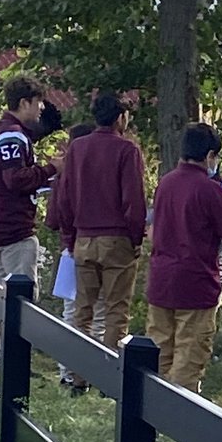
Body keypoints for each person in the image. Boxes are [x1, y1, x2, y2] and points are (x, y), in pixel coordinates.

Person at [54, 92, 146, 391]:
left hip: (83, 238)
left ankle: (79, 377)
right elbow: (134, 200)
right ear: (121, 118)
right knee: (116, 312)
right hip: (117, 238)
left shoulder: (77, 148)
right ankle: (109, 380)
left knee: (83, 311)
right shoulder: (126, 151)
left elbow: (65, 197)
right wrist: (135, 238)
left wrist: (70, 237)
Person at [146, 122, 222, 394]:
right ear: (210, 156)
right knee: (189, 355)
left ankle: (152, 406)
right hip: (196, 282)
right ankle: (178, 414)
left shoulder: (166, 183)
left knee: (159, 350)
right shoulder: (209, 189)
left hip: (161, 279)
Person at [0, 76, 64, 370]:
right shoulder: (13, 135)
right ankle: (16, 361)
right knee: (22, 295)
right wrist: (52, 168)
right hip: (14, 225)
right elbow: (15, 179)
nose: (41, 109)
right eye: (38, 103)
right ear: (24, 103)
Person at [45, 120, 106, 385]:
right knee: (100, 310)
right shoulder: (98, 175)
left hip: (69, 250)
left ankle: (67, 372)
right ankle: (96, 372)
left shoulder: (63, 177)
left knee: (72, 312)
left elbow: (52, 219)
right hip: (96, 247)